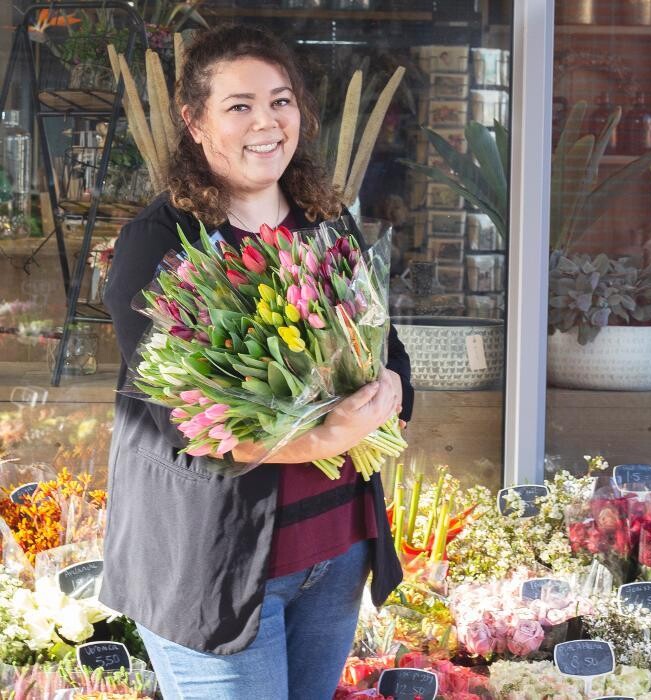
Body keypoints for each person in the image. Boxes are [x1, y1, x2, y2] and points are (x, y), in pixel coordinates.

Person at [101, 25, 411, 699]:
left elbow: (393, 357)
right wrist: (326, 438)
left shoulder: (326, 223)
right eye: (239, 105)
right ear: (195, 121)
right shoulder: (157, 246)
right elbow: (185, 419)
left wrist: (386, 393)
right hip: (218, 572)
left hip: (334, 556)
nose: (266, 122)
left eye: (281, 101)